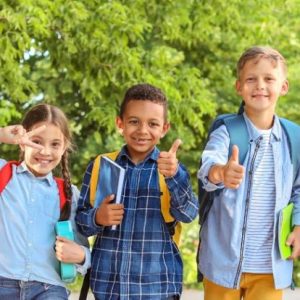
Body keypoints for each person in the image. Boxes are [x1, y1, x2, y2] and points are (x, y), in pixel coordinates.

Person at [76, 83, 198, 300]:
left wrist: (174, 176)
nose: (142, 130)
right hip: (109, 287)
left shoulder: (170, 169)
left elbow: (188, 213)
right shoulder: (101, 165)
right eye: (134, 122)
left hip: (158, 288)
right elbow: (81, 224)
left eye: (152, 124)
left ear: (164, 129)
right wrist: (97, 217)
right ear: (120, 123)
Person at [198, 46, 300, 300]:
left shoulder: (294, 138)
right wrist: (221, 172)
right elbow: (208, 165)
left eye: (269, 79)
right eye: (251, 79)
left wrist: (299, 224)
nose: (260, 86)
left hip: (270, 265)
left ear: (283, 87)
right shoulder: (227, 130)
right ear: (239, 86)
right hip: (222, 262)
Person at [0, 104, 91, 299]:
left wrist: (81, 255)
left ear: (64, 146)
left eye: (55, 144)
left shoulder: (70, 195)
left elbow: (85, 251)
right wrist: (2, 134)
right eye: (36, 141)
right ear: (22, 142)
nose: (45, 151)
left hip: (49, 290)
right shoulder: (3, 175)